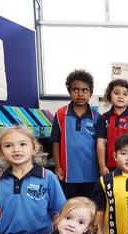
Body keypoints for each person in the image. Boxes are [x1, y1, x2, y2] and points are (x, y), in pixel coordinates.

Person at [52, 69, 102, 198]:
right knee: (70, 209)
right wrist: (57, 167)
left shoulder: (97, 117)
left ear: (91, 92)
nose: (80, 94)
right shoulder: (61, 114)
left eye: (85, 90)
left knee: (90, 209)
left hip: (91, 174)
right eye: (76, 90)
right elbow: (56, 142)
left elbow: (100, 146)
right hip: (68, 174)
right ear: (69, 91)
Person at [96, 79, 128, 175]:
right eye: (116, 93)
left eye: (125, 94)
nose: (121, 97)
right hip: (109, 166)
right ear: (110, 96)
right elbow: (101, 144)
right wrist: (102, 166)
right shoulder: (103, 118)